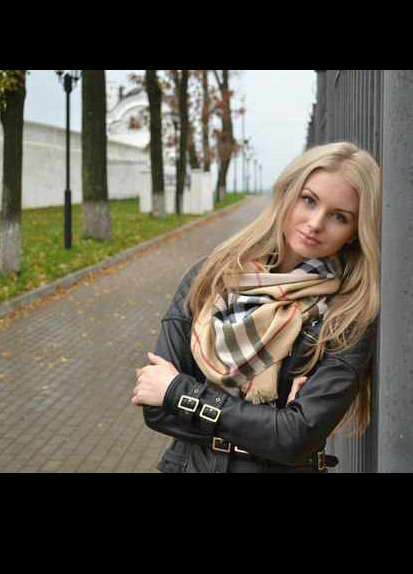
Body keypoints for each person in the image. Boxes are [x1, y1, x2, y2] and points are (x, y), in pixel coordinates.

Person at [131, 141, 382, 473]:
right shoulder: (211, 277)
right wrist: (269, 425)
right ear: (288, 194)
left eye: (339, 216)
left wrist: (177, 391)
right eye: (309, 200)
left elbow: (294, 438)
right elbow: (156, 407)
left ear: (354, 232)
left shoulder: (346, 313)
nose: (316, 223)